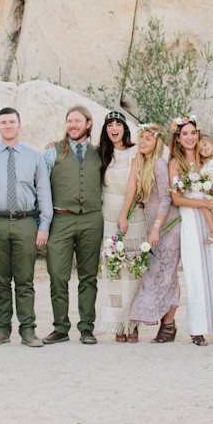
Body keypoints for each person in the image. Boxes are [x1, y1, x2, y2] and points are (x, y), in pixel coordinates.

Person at [0, 107, 53, 348]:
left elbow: (43, 192)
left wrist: (44, 224)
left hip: (25, 223)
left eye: (12, 122)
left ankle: (28, 330)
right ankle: (2, 329)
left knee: (25, 279)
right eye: (3, 122)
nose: (8, 126)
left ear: (20, 125)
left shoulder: (34, 157)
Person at [42, 106, 104, 345]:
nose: (73, 125)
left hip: (91, 219)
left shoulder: (99, 153)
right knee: (57, 275)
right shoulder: (52, 152)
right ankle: (60, 327)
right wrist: (44, 223)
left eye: (78, 121)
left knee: (88, 276)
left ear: (88, 124)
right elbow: (41, 188)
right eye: (69, 121)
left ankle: (87, 327)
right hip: (61, 219)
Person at [168, 118, 213, 346]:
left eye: (193, 132)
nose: (190, 137)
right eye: (185, 133)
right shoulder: (176, 162)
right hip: (193, 219)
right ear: (178, 137)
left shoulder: (208, 156)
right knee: (197, 273)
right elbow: (177, 198)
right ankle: (197, 327)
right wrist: (204, 204)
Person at [119, 123, 180, 343]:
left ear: (157, 143)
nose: (143, 142)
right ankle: (167, 325)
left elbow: (166, 198)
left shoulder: (160, 164)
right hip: (156, 227)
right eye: (141, 137)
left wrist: (156, 228)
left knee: (167, 275)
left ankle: (168, 326)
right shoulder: (144, 163)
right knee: (162, 275)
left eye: (148, 139)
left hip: (168, 227)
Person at [96, 111, 141, 342]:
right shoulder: (102, 153)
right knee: (113, 268)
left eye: (118, 124)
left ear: (125, 128)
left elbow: (133, 186)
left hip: (132, 213)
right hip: (108, 213)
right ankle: (117, 325)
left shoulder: (135, 152)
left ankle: (132, 324)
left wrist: (124, 214)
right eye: (110, 125)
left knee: (132, 269)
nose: (114, 128)